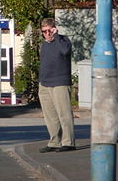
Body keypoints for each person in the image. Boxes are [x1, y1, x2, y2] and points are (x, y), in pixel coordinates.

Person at [38, 17, 76, 153]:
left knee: (64, 114)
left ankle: (68, 142)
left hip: (60, 82)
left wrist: (57, 36)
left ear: (54, 29)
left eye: (49, 31)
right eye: (44, 31)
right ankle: (54, 142)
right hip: (45, 84)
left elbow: (65, 52)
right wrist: (41, 81)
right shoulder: (44, 45)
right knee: (50, 116)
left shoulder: (63, 41)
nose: (47, 34)